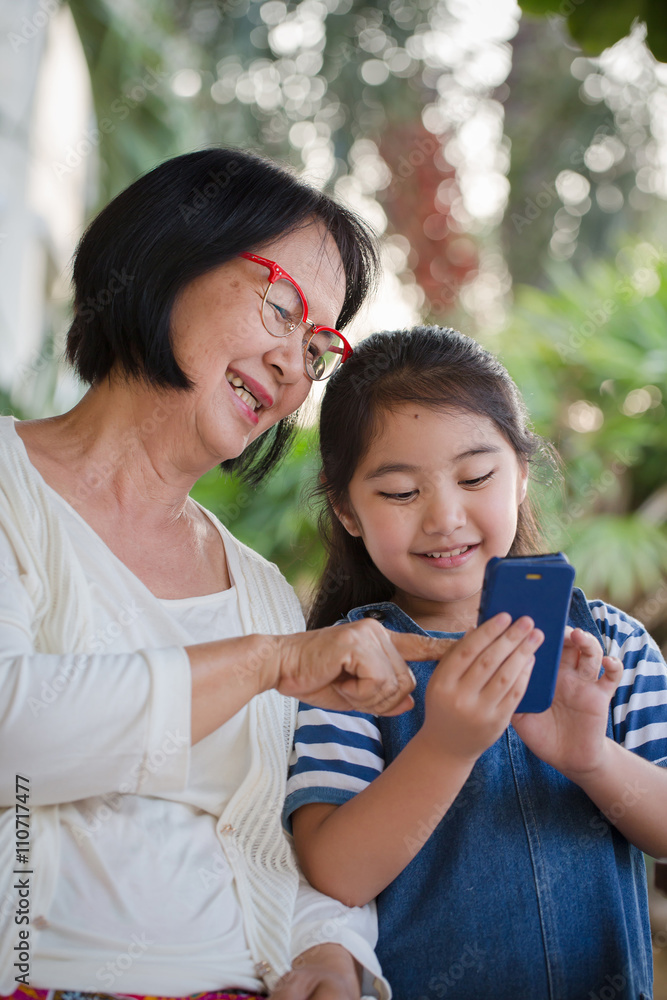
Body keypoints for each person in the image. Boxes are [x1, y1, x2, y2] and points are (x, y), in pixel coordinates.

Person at [0, 150, 455, 1000]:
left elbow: (275, 837)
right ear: (165, 255)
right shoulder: (8, 485)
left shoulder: (257, 589)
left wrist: (330, 947)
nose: (293, 366)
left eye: (317, 347)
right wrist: (267, 663)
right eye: (281, 308)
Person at [284, 325, 667, 1000]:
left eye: (475, 476)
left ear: (519, 473)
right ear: (345, 507)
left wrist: (590, 758)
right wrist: (445, 746)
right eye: (400, 492)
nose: (444, 517)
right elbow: (335, 871)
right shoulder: (345, 665)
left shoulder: (610, 645)